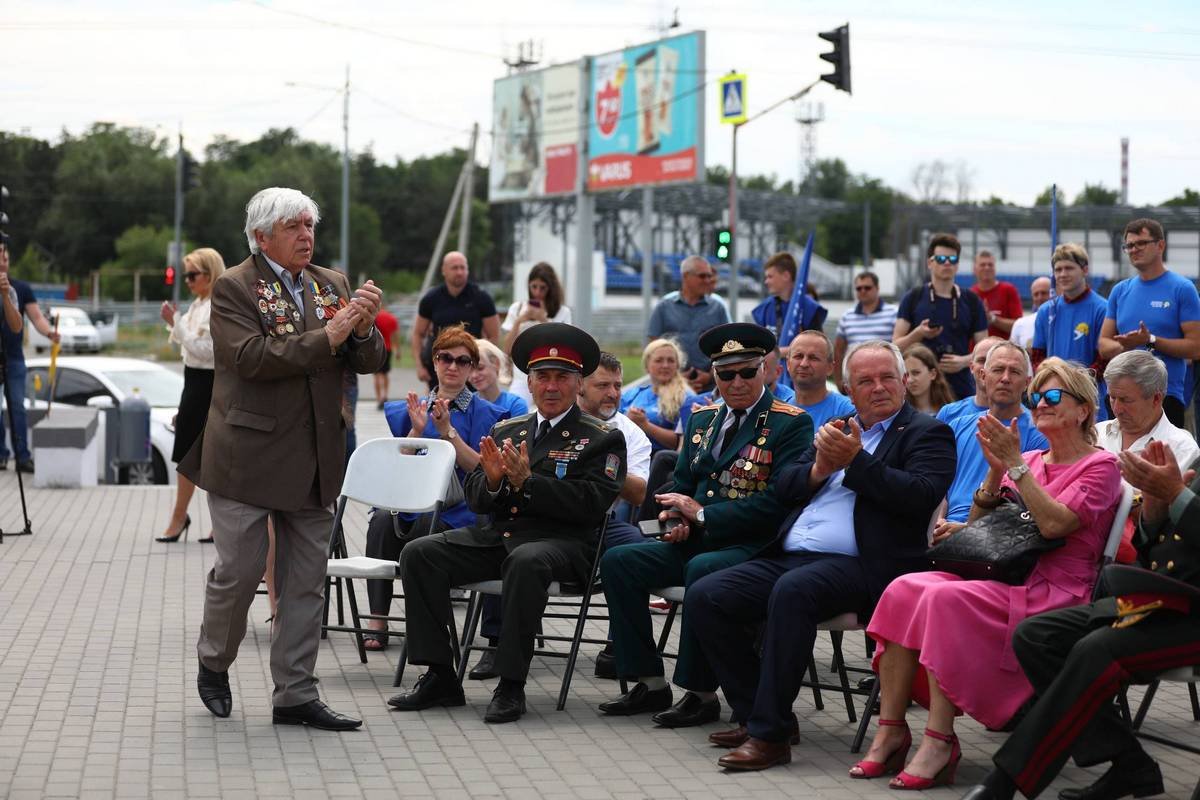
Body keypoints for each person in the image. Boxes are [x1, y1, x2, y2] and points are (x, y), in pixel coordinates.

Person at [688, 340, 956, 771]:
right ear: (849, 388)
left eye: (887, 377)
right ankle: (761, 710)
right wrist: (820, 469)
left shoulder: (928, 432)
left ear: (905, 382)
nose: (878, 387)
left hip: (869, 566)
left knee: (793, 591)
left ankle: (769, 736)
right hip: (794, 556)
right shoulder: (837, 426)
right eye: (866, 381)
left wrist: (856, 462)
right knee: (706, 593)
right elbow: (785, 488)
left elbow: (920, 496)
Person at [856, 358, 1121, 789]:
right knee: (904, 588)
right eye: (1036, 397)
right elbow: (982, 527)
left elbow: (1055, 525)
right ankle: (891, 729)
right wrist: (996, 470)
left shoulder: (1101, 466)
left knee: (943, 598)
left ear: (1083, 410)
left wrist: (1014, 464)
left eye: (1052, 396)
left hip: (1056, 589)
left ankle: (940, 740)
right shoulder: (1031, 458)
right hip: (1010, 574)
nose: (1040, 404)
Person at [182, 187, 385, 731]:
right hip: (246, 456)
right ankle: (213, 662)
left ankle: (295, 694)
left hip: (315, 455)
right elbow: (250, 358)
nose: (306, 236)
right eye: (293, 227)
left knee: (304, 581)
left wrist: (363, 329)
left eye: (310, 226)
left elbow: (365, 359)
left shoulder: (331, 283)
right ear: (260, 235)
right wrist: (332, 334)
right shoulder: (233, 287)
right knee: (241, 572)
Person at [388, 323, 625, 725]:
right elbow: (478, 496)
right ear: (529, 385)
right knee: (420, 553)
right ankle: (441, 675)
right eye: (542, 378)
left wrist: (529, 484)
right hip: (501, 535)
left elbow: (592, 503)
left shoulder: (600, 437)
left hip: (564, 543)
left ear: (578, 384)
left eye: (562, 378)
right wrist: (496, 481)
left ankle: (511, 683)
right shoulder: (507, 430)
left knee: (527, 561)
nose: (552, 387)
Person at [598, 323, 814, 729]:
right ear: (714, 375)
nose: (736, 382)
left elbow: (777, 503)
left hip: (755, 546)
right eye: (725, 374)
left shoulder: (791, 423)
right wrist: (675, 517)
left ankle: (700, 694)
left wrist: (700, 516)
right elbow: (681, 483)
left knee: (702, 569)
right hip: (697, 539)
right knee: (619, 560)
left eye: (747, 372)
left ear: (765, 370)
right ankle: (648, 681)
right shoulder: (702, 420)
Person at [961, 442, 1200, 800]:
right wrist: (1155, 507)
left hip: (1190, 616)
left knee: (1097, 649)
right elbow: (1166, 546)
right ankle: (1130, 765)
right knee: (1037, 636)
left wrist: (1176, 494)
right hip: (1163, 598)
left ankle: (1006, 781)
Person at [362, 326, 511, 650]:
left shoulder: (489, 414)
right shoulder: (410, 410)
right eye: (446, 358)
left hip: (460, 510)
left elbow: (485, 471)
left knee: (425, 532)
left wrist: (447, 434)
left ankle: (430, 624)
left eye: (462, 360)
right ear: (434, 362)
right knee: (382, 522)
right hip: (413, 502)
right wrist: (416, 430)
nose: (453, 366)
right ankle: (378, 618)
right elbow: (399, 470)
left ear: (472, 367)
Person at [1098, 350, 1200, 564]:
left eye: (1125, 400)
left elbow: (1176, 521)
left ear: (1156, 398)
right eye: (1112, 397)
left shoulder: (1181, 448)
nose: (1116, 409)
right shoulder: (1095, 433)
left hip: (1139, 562)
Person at [1099, 218, 1200, 428]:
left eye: (1141, 243)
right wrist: (1125, 345)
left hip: (1163, 396)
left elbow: (1195, 348)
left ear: (1160, 245)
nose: (1134, 250)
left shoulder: (1182, 288)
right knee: (1121, 460)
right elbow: (1103, 345)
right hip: (1121, 397)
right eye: (1129, 246)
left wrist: (1151, 340)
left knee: (1161, 460)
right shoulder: (1119, 291)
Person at [156, 247, 226, 543]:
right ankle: (180, 515)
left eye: (192, 275)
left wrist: (177, 325)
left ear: (210, 276)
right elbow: (190, 351)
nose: (187, 281)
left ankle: (210, 521)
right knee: (186, 454)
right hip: (193, 384)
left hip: (210, 384)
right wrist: (178, 325)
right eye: (186, 275)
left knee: (212, 457)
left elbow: (208, 353)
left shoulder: (216, 306)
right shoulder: (198, 305)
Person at [938, 342, 1049, 526]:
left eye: (1014, 372)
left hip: (997, 536)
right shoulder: (957, 425)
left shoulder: (1038, 433)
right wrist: (939, 520)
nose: (1005, 378)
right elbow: (941, 485)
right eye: (998, 369)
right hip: (944, 529)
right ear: (983, 376)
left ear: (1027, 383)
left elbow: (1027, 504)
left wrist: (965, 530)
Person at [894, 233, 989, 401]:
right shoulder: (913, 297)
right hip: (919, 393)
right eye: (941, 258)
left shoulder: (971, 300)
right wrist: (918, 334)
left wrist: (964, 361)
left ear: (957, 265)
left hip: (961, 388)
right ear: (930, 262)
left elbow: (987, 350)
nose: (947, 263)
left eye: (952, 259)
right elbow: (895, 346)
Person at [0, 241, 60, 473]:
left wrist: (49, 332)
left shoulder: (20, 289)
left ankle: (22, 456)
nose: (4, 262)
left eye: (6, 258)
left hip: (13, 357)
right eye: (0, 258)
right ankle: (1, 454)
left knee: (17, 406)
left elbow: (36, 317)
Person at [1032, 243, 1109, 418]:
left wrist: (1072, 384)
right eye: (1058, 270)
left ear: (1085, 270)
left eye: (1069, 268)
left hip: (1089, 400)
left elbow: (1103, 361)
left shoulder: (1102, 309)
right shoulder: (1046, 311)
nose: (1063, 274)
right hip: (1053, 399)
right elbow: (1037, 357)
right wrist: (1053, 381)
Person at [411, 250, 500, 389]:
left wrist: (483, 365)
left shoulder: (481, 298)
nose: (459, 272)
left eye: (462, 267)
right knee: (439, 407)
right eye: (454, 268)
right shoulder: (431, 299)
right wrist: (419, 365)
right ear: (444, 270)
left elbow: (494, 336)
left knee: (471, 408)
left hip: (470, 367)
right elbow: (418, 333)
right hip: (440, 366)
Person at [647, 255, 730, 392]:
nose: (708, 280)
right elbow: (654, 347)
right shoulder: (664, 307)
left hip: (710, 388)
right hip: (670, 387)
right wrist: (676, 376)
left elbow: (726, 346)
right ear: (686, 276)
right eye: (702, 276)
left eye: (709, 276)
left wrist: (710, 375)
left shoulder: (718, 308)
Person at [502, 262, 573, 406]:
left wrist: (543, 319)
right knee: (514, 412)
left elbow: (560, 347)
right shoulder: (517, 308)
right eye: (534, 287)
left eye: (543, 288)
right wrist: (519, 321)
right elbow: (507, 349)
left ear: (550, 289)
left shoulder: (562, 312)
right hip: (521, 376)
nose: (538, 292)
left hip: (550, 375)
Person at [620, 338, 698, 453]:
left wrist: (645, 425)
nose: (665, 365)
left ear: (677, 365)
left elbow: (683, 443)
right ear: (647, 365)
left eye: (671, 360)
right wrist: (627, 419)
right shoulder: (633, 393)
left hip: (660, 461)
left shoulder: (686, 397)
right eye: (659, 360)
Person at [835, 271, 899, 388]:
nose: (863, 291)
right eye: (859, 288)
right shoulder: (847, 316)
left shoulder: (894, 312)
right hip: (856, 377)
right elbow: (838, 350)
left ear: (877, 288)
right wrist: (839, 380)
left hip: (884, 376)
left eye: (867, 288)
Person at [786, 330, 856, 428]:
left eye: (813, 358)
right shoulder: (777, 411)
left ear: (830, 367)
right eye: (798, 356)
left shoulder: (848, 412)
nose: (804, 364)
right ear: (788, 364)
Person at [752, 251, 827, 340]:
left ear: (786, 276)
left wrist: (778, 352)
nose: (766, 281)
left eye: (770, 276)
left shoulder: (809, 308)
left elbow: (815, 346)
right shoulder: (764, 308)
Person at [936, 336, 1004, 425]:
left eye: (994, 361)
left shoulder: (1024, 418)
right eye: (982, 360)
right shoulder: (948, 414)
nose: (986, 367)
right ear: (972, 367)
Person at [971, 250, 1023, 339]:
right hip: (976, 351)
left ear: (995, 268)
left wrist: (992, 319)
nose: (987, 268)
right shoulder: (970, 295)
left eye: (990, 264)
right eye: (982, 265)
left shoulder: (1008, 290)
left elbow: (1019, 326)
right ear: (974, 269)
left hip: (1002, 351)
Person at [472, 338, 528, 418]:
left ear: (496, 364)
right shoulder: (465, 405)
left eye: (480, 368)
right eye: (469, 370)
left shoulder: (515, 405)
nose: (474, 375)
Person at [903, 344, 955, 416]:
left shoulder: (951, 411)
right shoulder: (900, 413)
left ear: (933, 374)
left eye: (916, 373)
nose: (909, 380)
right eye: (906, 375)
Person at [1010, 277, 1051, 350]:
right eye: (1036, 294)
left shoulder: (1064, 322)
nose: (1040, 298)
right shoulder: (1020, 324)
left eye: (1044, 293)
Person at [372, 300, 399, 409]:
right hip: (387, 348)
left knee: (377, 375)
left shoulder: (374, 317)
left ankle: (378, 398)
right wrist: (398, 350)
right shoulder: (392, 318)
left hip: (375, 348)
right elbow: (395, 336)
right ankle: (385, 395)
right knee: (385, 373)